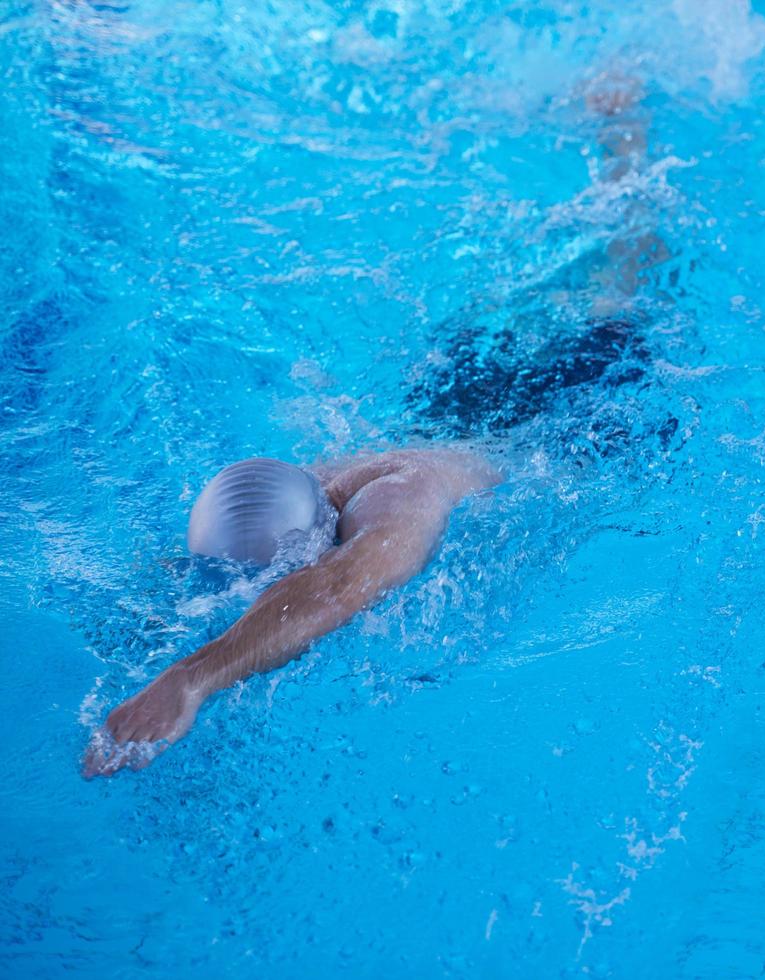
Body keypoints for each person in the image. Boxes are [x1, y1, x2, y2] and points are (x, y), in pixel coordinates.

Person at [83, 75, 663, 777]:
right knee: (542, 292)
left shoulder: (400, 500)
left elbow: (333, 589)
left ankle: (626, 142)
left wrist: (190, 678)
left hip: (569, 419)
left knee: (621, 278)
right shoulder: (309, 484)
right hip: (456, 403)